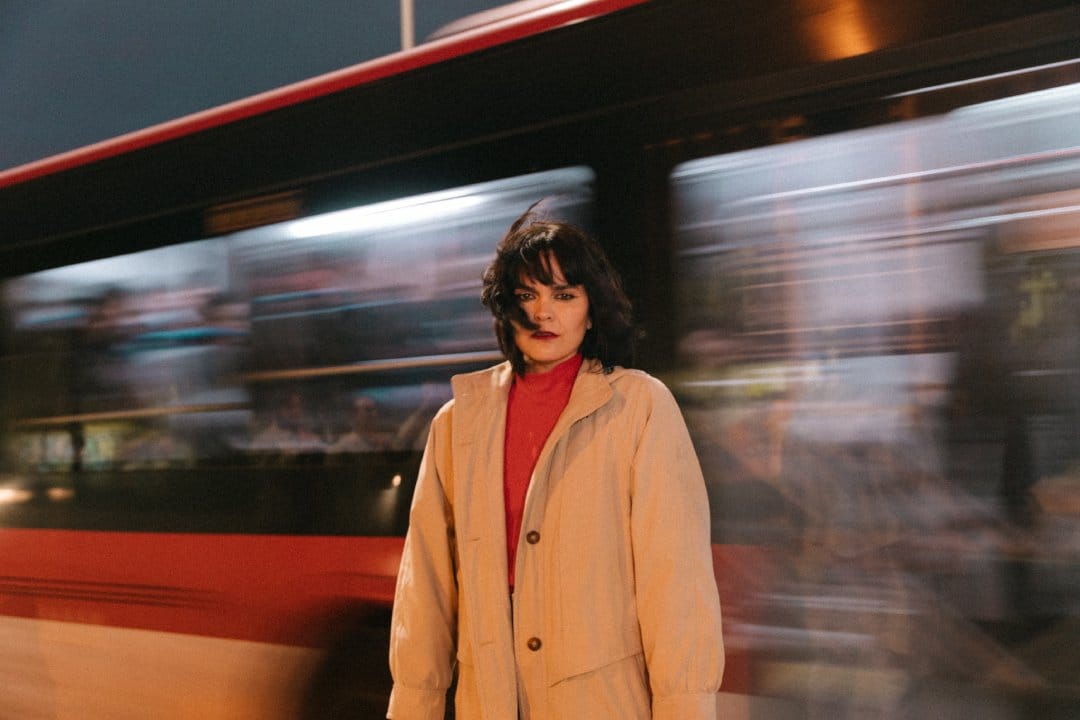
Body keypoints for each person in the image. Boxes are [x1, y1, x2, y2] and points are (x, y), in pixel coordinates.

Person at [387, 210, 724, 719]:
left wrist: (686, 709)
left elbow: (675, 580)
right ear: (506, 308)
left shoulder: (639, 406)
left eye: (565, 295)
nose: (545, 312)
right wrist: (417, 705)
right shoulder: (458, 422)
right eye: (528, 295)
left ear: (591, 310)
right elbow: (426, 582)